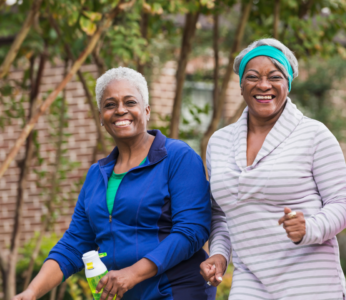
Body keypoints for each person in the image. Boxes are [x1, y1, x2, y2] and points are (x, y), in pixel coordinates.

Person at [12, 67, 215, 300]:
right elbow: (75, 243)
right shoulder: (96, 175)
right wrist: (31, 292)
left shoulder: (177, 157)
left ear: (146, 110)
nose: (120, 110)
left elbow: (191, 230)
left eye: (130, 102)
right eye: (110, 105)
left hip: (176, 290)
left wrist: (133, 274)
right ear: (101, 116)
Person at [199, 38, 346, 300]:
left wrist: (310, 228)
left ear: (288, 84)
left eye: (274, 76)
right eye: (252, 77)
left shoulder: (314, 135)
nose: (263, 85)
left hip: (310, 282)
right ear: (240, 85)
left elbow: (343, 204)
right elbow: (221, 215)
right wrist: (219, 254)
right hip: (251, 279)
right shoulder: (219, 142)